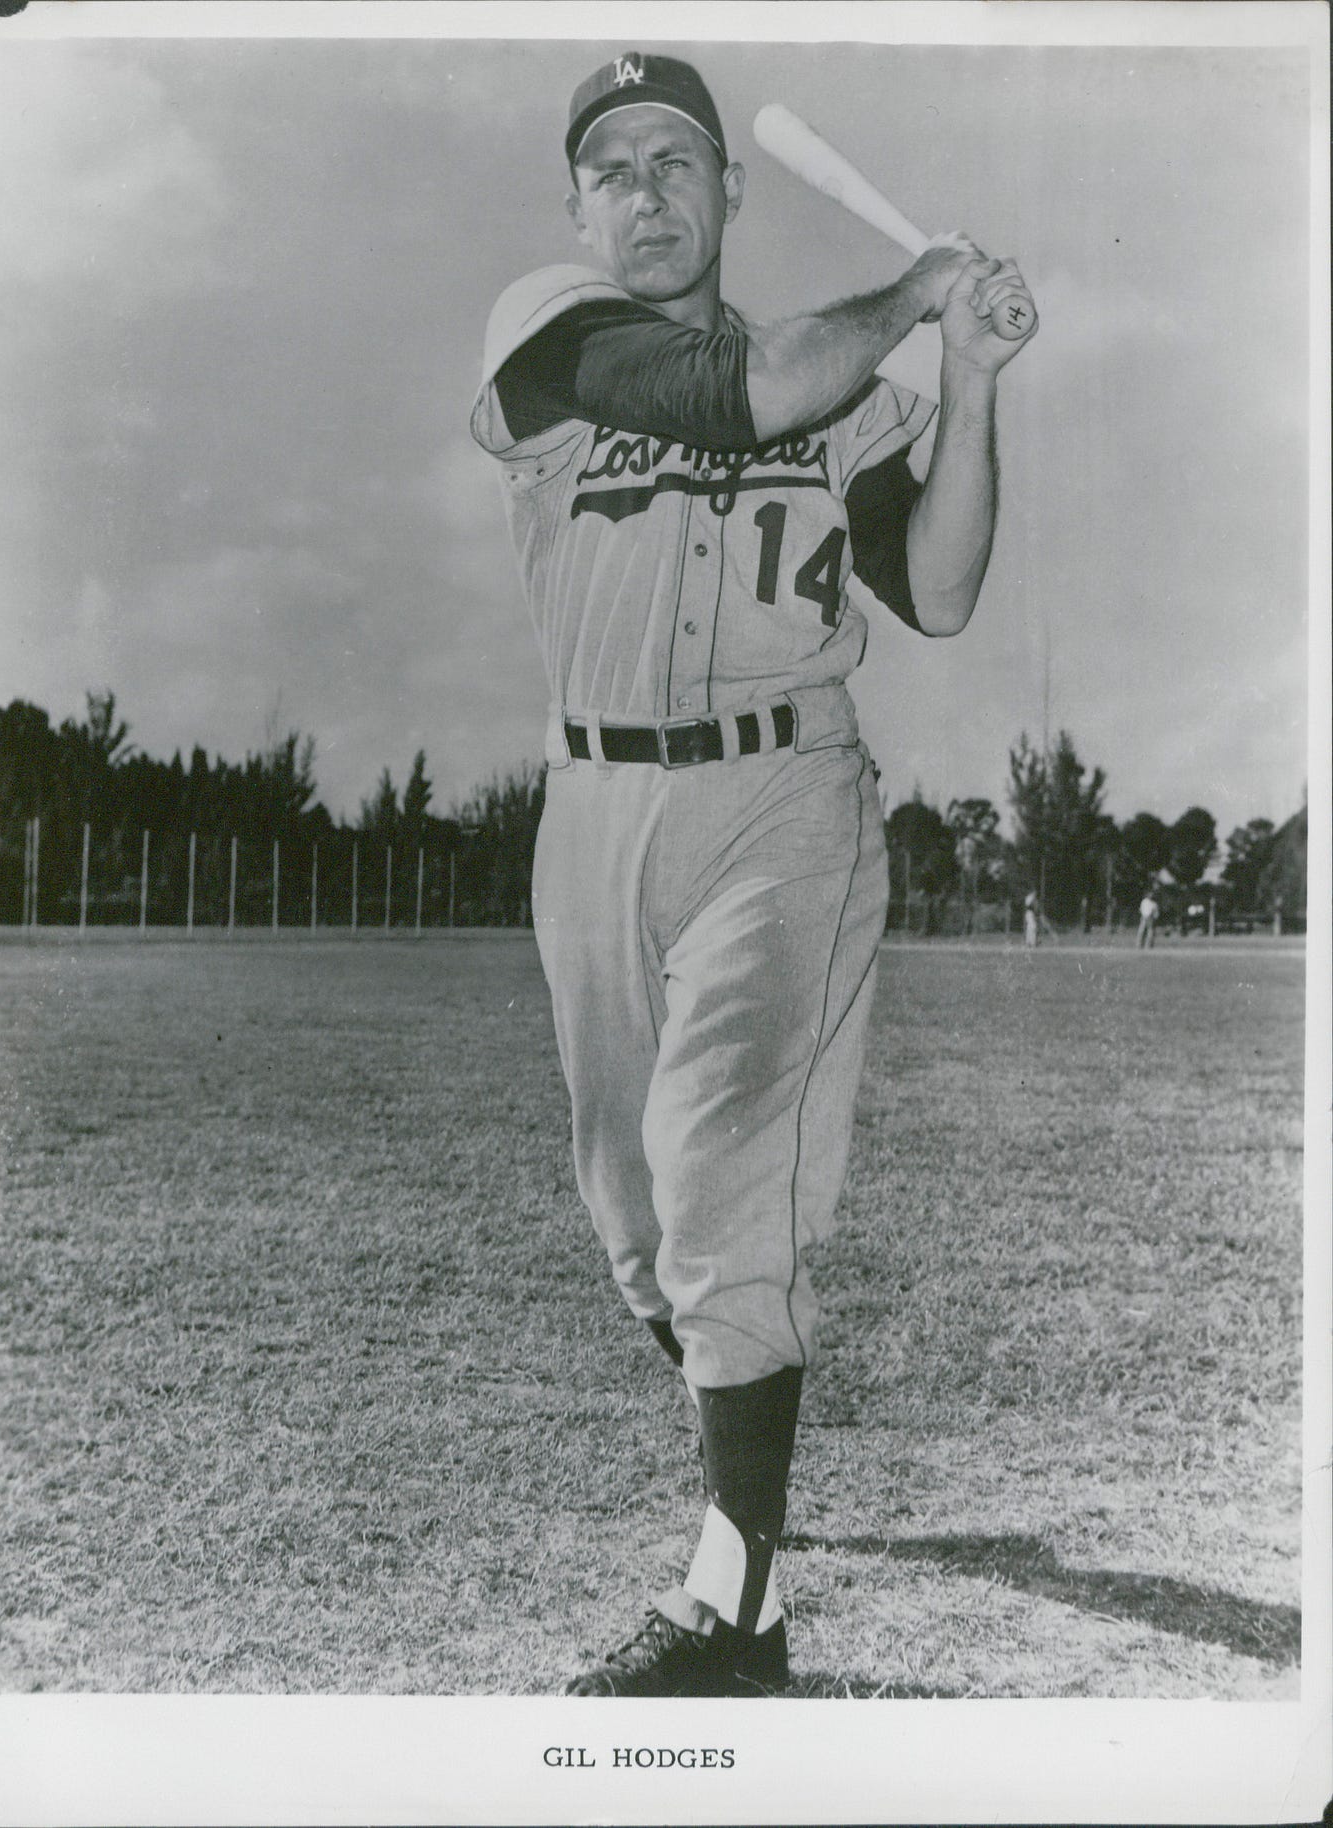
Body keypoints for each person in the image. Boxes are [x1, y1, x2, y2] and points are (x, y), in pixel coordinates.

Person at [470, 51, 1037, 1697]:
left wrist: (975, 377)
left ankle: (736, 1603)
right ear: (578, 208)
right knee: (634, 1217)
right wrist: (919, 287)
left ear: (731, 193)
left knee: (716, 1166)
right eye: (614, 167)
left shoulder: (841, 390)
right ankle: (746, 1441)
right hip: (593, 810)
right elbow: (733, 393)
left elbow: (934, 592)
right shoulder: (552, 336)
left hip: (788, 798)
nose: (645, 191)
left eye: (677, 162)